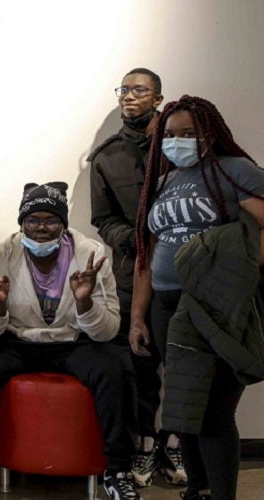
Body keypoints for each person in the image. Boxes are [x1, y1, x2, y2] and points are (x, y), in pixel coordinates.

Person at [0, 182, 139, 500]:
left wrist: (84, 303)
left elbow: (107, 330)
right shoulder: (2, 253)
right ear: (22, 223)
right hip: (17, 341)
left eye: (50, 220)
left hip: (74, 341)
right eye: (33, 220)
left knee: (116, 366)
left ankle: (118, 470)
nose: (41, 228)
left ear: (63, 224)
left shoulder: (91, 254)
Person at [132, 95, 264, 500]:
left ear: (209, 134)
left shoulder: (235, 170)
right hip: (166, 307)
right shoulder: (162, 181)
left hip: (214, 306)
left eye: (189, 133)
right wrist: (138, 316)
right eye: (170, 134)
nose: (178, 141)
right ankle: (198, 491)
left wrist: (234, 271)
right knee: (183, 409)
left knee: (213, 412)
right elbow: (147, 252)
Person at [89, 68, 187, 487]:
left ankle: (178, 443)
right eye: (124, 90)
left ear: (158, 98)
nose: (129, 97)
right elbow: (102, 218)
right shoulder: (107, 157)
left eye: (139, 90)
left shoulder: (181, 147)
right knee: (141, 365)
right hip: (133, 272)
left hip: (186, 271)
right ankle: (144, 444)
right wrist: (134, 238)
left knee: (185, 363)